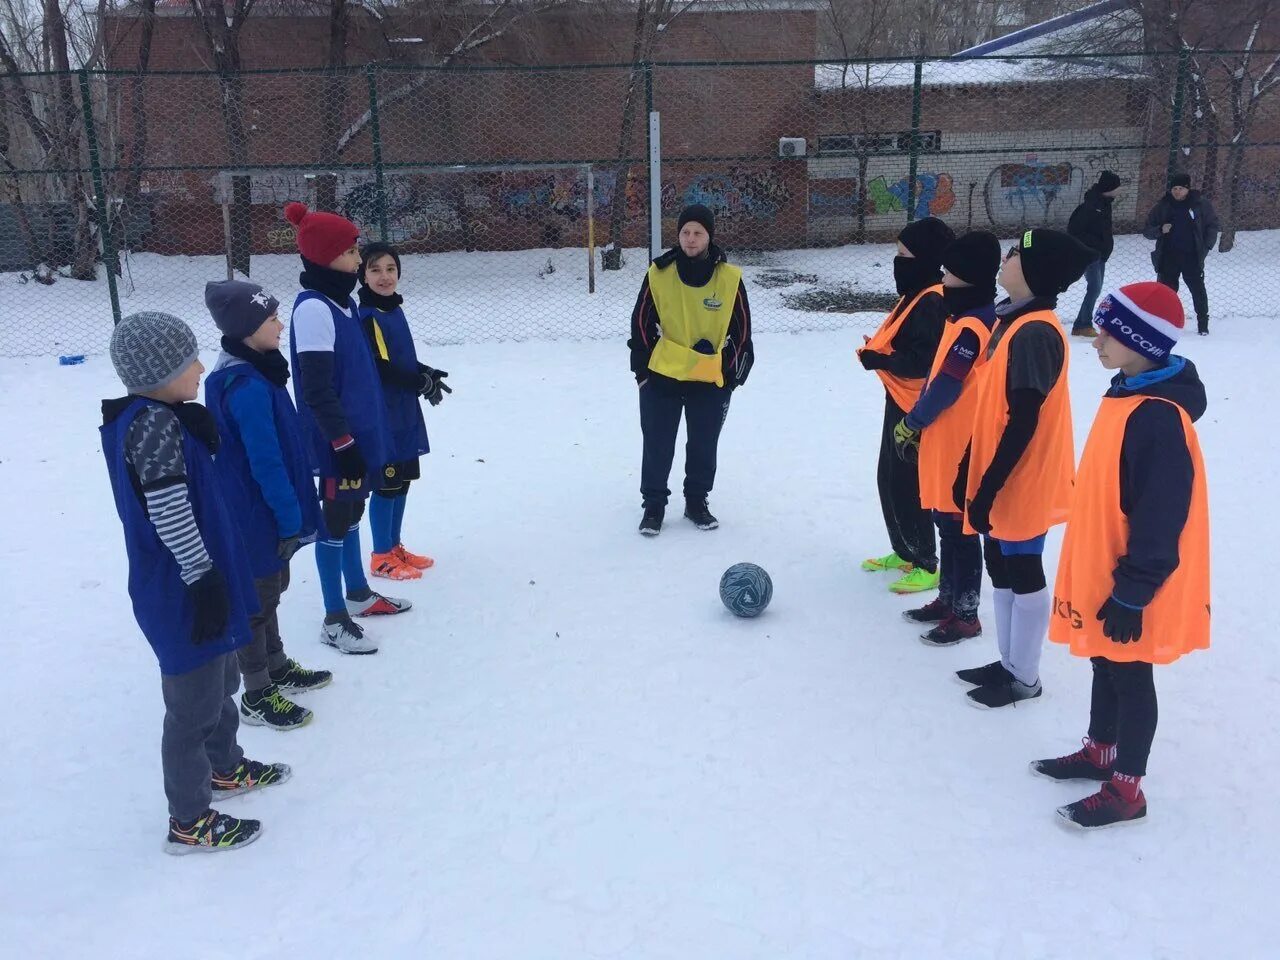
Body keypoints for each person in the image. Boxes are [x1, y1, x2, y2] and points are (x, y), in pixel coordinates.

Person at [102, 311, 289, 854]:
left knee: (220, 680)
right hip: (184, 585)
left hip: (199, 574)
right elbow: (168, 509)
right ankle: (188, 819)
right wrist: (202, 577)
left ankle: (225, 766)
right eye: (189, 362)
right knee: (191, 705)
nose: (201, 368)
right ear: (160, 373)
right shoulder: (153, 425)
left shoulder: (160, 417)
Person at [1034, 282, 1209, 829]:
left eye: (1109, 332)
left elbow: (1161, 515)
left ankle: (1128, 788)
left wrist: (1133, 592)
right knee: (1103, 663)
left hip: (1135, 580)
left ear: (1141, 340)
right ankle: (1099, 750)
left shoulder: (1157, 417)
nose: (1096, 341)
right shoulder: (1126, 393)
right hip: (1108, 569)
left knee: (1131, 678)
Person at [954, 228, 1094, 709]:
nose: (1007, 256)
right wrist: (968, 469)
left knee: (1023, 566)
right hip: (1001, 471)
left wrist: (988, 485)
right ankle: (1008, 662)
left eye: (1016, 253)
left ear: (1034, 272)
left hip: (1022, 476)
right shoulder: (1013, 321)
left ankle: (1025, 677)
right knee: (1002, 566)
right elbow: (992, 410)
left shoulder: (1035, 332)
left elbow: (1024, 420)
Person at [203, 279, 333, 731]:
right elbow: (266, 463)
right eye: (271, 318)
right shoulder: (246, 386)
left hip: (270, 511)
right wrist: (288, 517)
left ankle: (276, 666)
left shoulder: (261, 370)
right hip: (257, 515)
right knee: (257, 601)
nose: (281, 325)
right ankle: (257, 692)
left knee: (273, 589)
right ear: (246, 330)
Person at [285, 202, 410, 656]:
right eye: (352, 252)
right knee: (334, 522)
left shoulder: (340, 302)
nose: (359, 261)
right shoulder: (314, 309)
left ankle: (357, 593)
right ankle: (333, 618)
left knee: (353, 514)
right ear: (326, 256)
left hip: (359, 435)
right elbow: (317, 390)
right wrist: (343, 443)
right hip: (341, 442)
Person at [896, 230, 1001, 643]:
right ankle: (947, 598)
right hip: (944, 437)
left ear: (968, 275)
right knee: (945, 522)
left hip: (958, 440)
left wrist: (913, 421)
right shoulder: (961, 317)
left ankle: (967, 613)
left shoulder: (974, 325)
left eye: (950, 269)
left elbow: (947, 384)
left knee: (960, 530)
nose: (942, 274)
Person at [627, 204, 753, 535]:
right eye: (685, 232)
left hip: (709, 380)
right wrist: (642, 374)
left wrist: (729, 375)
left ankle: (697, 502)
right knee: (657, 443)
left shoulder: (729, 279)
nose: (691, 239)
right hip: (662, 378)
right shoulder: (659, 273)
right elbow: (640, 324)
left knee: (703, 444)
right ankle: (653, 505)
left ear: (709, 237)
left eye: (698, 233)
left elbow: (742, 331)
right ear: (678, 235)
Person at [858, 215, 954, 594]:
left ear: (927, 258)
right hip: (897, 398)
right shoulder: (915, 294)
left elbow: (924, 360)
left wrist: (881, 360)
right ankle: (905, 551)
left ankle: (927, 562)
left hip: (916, 409)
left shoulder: (933, 300)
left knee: (909, 483)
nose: (898, 261)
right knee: (889, 477)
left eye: (904, 254)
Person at [356, 241, 450, 581]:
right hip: (384, 413)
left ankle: (394, 546)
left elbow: (400, 359)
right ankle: (381, 555)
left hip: (403, 409)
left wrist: (425, 372)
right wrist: (417, 381)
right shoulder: (367, 317)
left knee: (404, 479)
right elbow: (380, 367)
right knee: (387, 483)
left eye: (391, 269)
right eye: (376, 269)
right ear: (362, 275)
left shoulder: (392, 309)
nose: (385, 276)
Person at [1143, 173, 1219, 335]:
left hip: (1191, 255)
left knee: (1197, 289)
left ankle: (1203, 323)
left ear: (1188, 189)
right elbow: (1147, 230)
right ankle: (1163, 322)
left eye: (1181, 188)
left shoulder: (1200, 204)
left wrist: (1206, 247)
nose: (1177, 192)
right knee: (1166, 292)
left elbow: (1212, 225)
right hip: (1169, 256)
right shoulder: (1163, 205)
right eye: (1174, 189)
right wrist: (1160, 230)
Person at [1067, 170, 1121, 337]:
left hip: (1100, 255)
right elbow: (1075, 230)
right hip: (1091, 255)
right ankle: (1083, 324)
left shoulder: (1105, 204)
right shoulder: (1091, 207)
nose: (1119, 190)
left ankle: (1081, 324)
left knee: (1095, 289)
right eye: (1117, 187)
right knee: (1094, 288)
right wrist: (1095, 246)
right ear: (1109, 188)